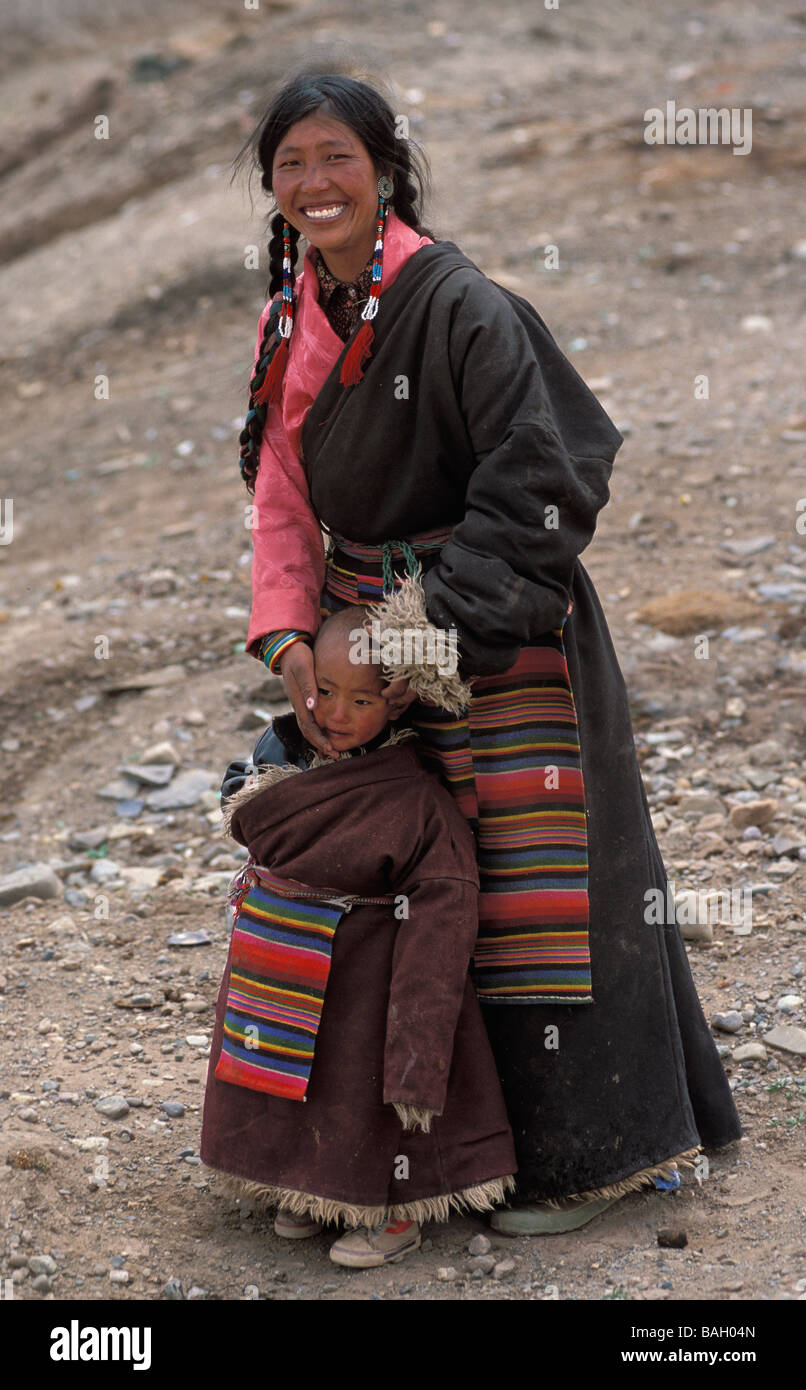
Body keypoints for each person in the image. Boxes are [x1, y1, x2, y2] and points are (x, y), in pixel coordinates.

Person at [233, 66, 742, 1235]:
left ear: (384, 170)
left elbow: (550, 472)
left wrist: (432, 628)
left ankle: (580, 1158)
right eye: (291, 165)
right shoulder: (290, 310)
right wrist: (291, 636)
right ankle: (417, 1157)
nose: (314, 184)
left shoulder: (459, 304)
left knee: (527, 890)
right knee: (396, 884)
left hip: (500, 634)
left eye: (336, 160)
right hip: (362, 644)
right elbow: (278, 490)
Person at [201, 601, 517, 1267]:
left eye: (363, 699)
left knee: (358, 1086)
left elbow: (441, 919)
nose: (336, 715)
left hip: (368, 984)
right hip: (283, 966)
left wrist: (419, 1046)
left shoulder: (414, 801)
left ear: (398, 702)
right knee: (293, 1077)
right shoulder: (280, 754)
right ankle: (307, 1185)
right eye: (325, 692)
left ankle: (395, 1214)